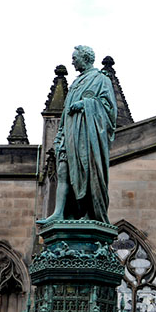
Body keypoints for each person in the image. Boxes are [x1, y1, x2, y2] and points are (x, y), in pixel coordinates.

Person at [39, 45, 117, 224]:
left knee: (88, 173)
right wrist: (59, 136)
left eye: (75, 58)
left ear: (86, 58)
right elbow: (66, 113)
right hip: (70, 134)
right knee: (62, 170)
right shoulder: (76, 83)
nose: (72, 61)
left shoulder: (100, 79)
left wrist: (85, 105)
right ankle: (58, 213)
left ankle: (91, 212)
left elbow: (109, 109)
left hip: (88, 138)